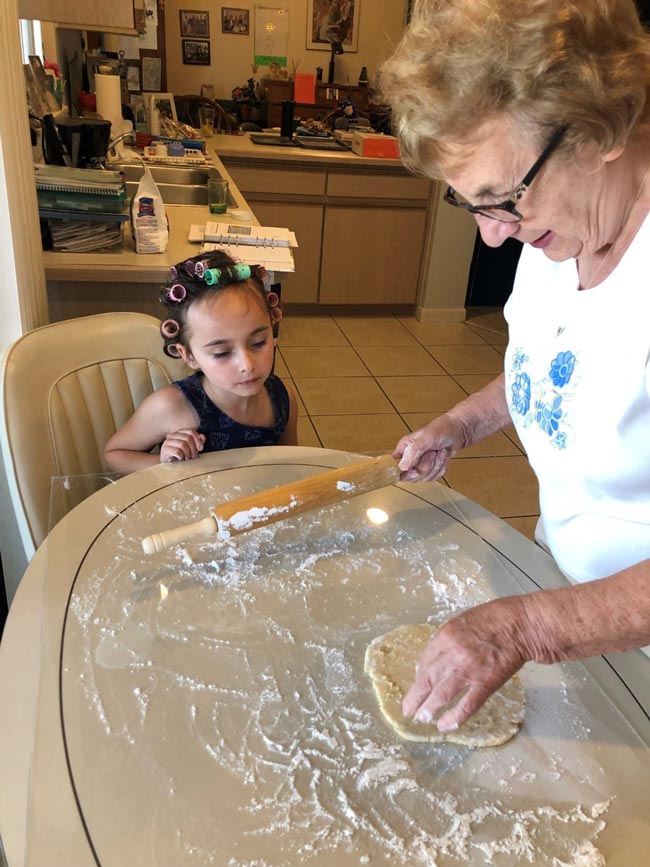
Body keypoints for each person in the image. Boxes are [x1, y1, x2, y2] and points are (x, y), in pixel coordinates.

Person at [380, 0, 650, 733]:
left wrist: (524, 628)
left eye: (504, 199)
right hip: (566, 594)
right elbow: (556, 363)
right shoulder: (554, 237)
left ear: (607, 128)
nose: (495, 238)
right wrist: (461, 424)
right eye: (470, 205)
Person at [104, 252, 298, 473]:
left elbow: (290, 463)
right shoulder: (171, 407)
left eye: (258, 342)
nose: (247, 365)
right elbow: (115, 455)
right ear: (188, 355)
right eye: (222, 353)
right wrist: (164, 462)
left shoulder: (283, 399)